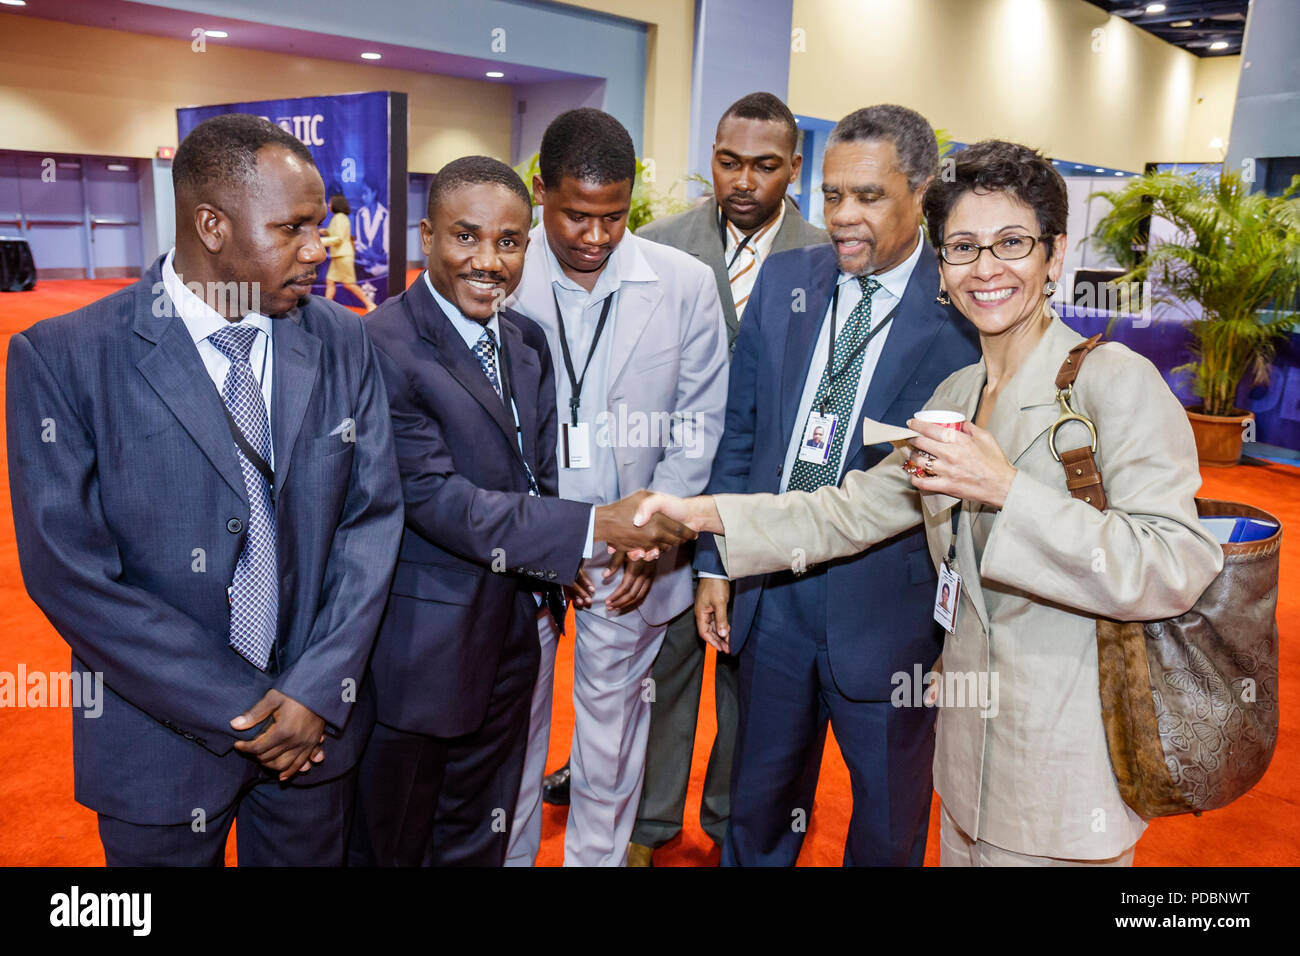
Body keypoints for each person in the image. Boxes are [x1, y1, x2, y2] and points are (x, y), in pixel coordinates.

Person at [631, 139, 1225, 867]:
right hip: (967, 767)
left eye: (1012, 243)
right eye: (963, 248)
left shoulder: (1111, 383)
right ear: (942, 266)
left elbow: (1175, 563)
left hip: (1062, 770)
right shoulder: (955, 398)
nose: (986, 269)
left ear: (1054, 252)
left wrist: (1007, 491)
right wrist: (707, 516)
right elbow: (849, 510)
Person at [5, 113, 405, 866]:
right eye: (292, 229)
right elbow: (71, 575)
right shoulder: (65, 358)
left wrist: (315, 693)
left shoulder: (342, 340)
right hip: (157, 747)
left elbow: (372, 520)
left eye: (319, 227)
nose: (320, 251)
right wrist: (249, 713)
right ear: (212, 225)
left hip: (313, 740)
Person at [350, 156, 695, 866]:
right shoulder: (381, 346)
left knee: (485, 830)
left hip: (517, 635)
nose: (488, 261)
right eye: (466, 237)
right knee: (397, 840)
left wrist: (551, 558)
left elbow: (536, 475)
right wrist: (593, 527)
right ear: (427, 236)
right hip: (422, 652)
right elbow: (436, 499)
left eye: (508, 242)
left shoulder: (524, 339)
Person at [681, 104, 982, 867]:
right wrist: (716, 561)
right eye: (832, 195)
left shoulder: (963, 316)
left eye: (869, 197)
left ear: (920, 191)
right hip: (770, 593)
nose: (844, 217)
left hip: (890, 611)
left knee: (886, 826)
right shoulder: (788, 277)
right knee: (756, 811)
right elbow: (741, 432)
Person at [504, 108, 729, 867]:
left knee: (610, 734)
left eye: (613, 216)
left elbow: (698, 424)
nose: (596, 236)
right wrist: (546, 537)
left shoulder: (685, 283)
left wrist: (653, 536)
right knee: (517, 730)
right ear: (540, 192)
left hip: (633, 557)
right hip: (526, 546)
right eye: (575, 215)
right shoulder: (501, 271)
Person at [625, 92, 828, 863]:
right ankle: (647, 826)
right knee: (663, 669)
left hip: (772, 509)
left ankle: (730, 822)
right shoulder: (655, 243)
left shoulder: (825, 251)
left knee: (754, 682)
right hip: (671, 499)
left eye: (765, 165)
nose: (743, 180)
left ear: (794, 168)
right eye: (728, 161)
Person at [320, 194, 377, 313]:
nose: (329, 205)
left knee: (348, 284)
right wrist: (326, 232)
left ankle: (370, 304)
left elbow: (339, 238)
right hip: (339, 255)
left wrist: (320, 241)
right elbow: (335, 233)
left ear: (337, 204)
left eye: (330, 203)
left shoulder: (340, 217)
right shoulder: (338, 217)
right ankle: (325, 308)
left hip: (343, 255)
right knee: (330, 281)